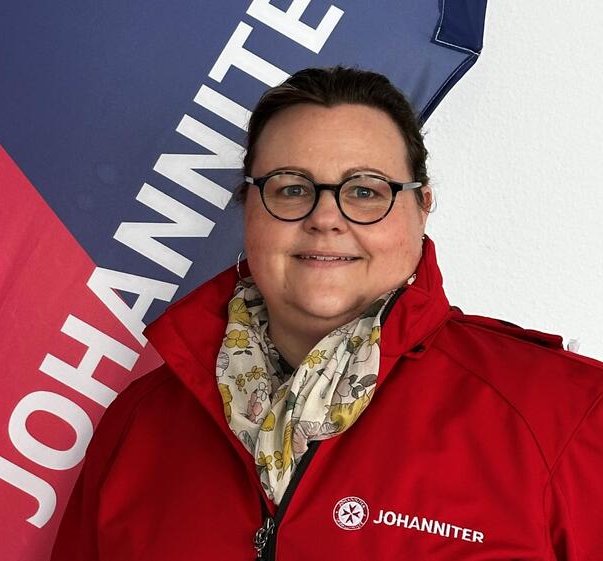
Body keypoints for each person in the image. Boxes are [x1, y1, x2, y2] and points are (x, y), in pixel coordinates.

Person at [52, 67, 603, 560]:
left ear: (422, 204)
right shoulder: (139, 423)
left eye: (365, 191)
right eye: (291, 189)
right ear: (248, 208)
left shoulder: (568, 414)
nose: (325, 218)